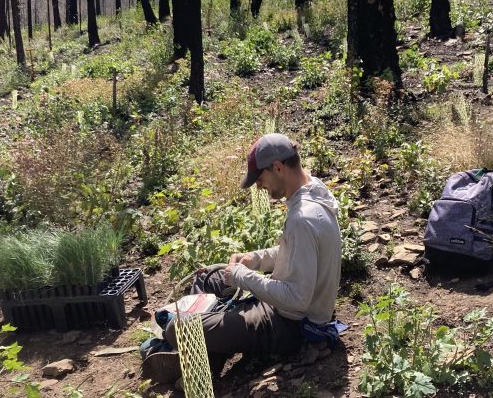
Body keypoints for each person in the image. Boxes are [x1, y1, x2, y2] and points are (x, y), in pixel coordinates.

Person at [141, 133, 342, 384]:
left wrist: (244, 277)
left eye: (260, 178)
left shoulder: (303, 218)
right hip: (285, 307)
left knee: (177, 329)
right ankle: (206, 355)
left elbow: (298, 298)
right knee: (209, 277)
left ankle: (197, 359)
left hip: (290, 323)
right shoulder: (312, 190)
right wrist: (254, 260)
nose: (259, 186)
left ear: (278, 167)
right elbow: (297, 253)